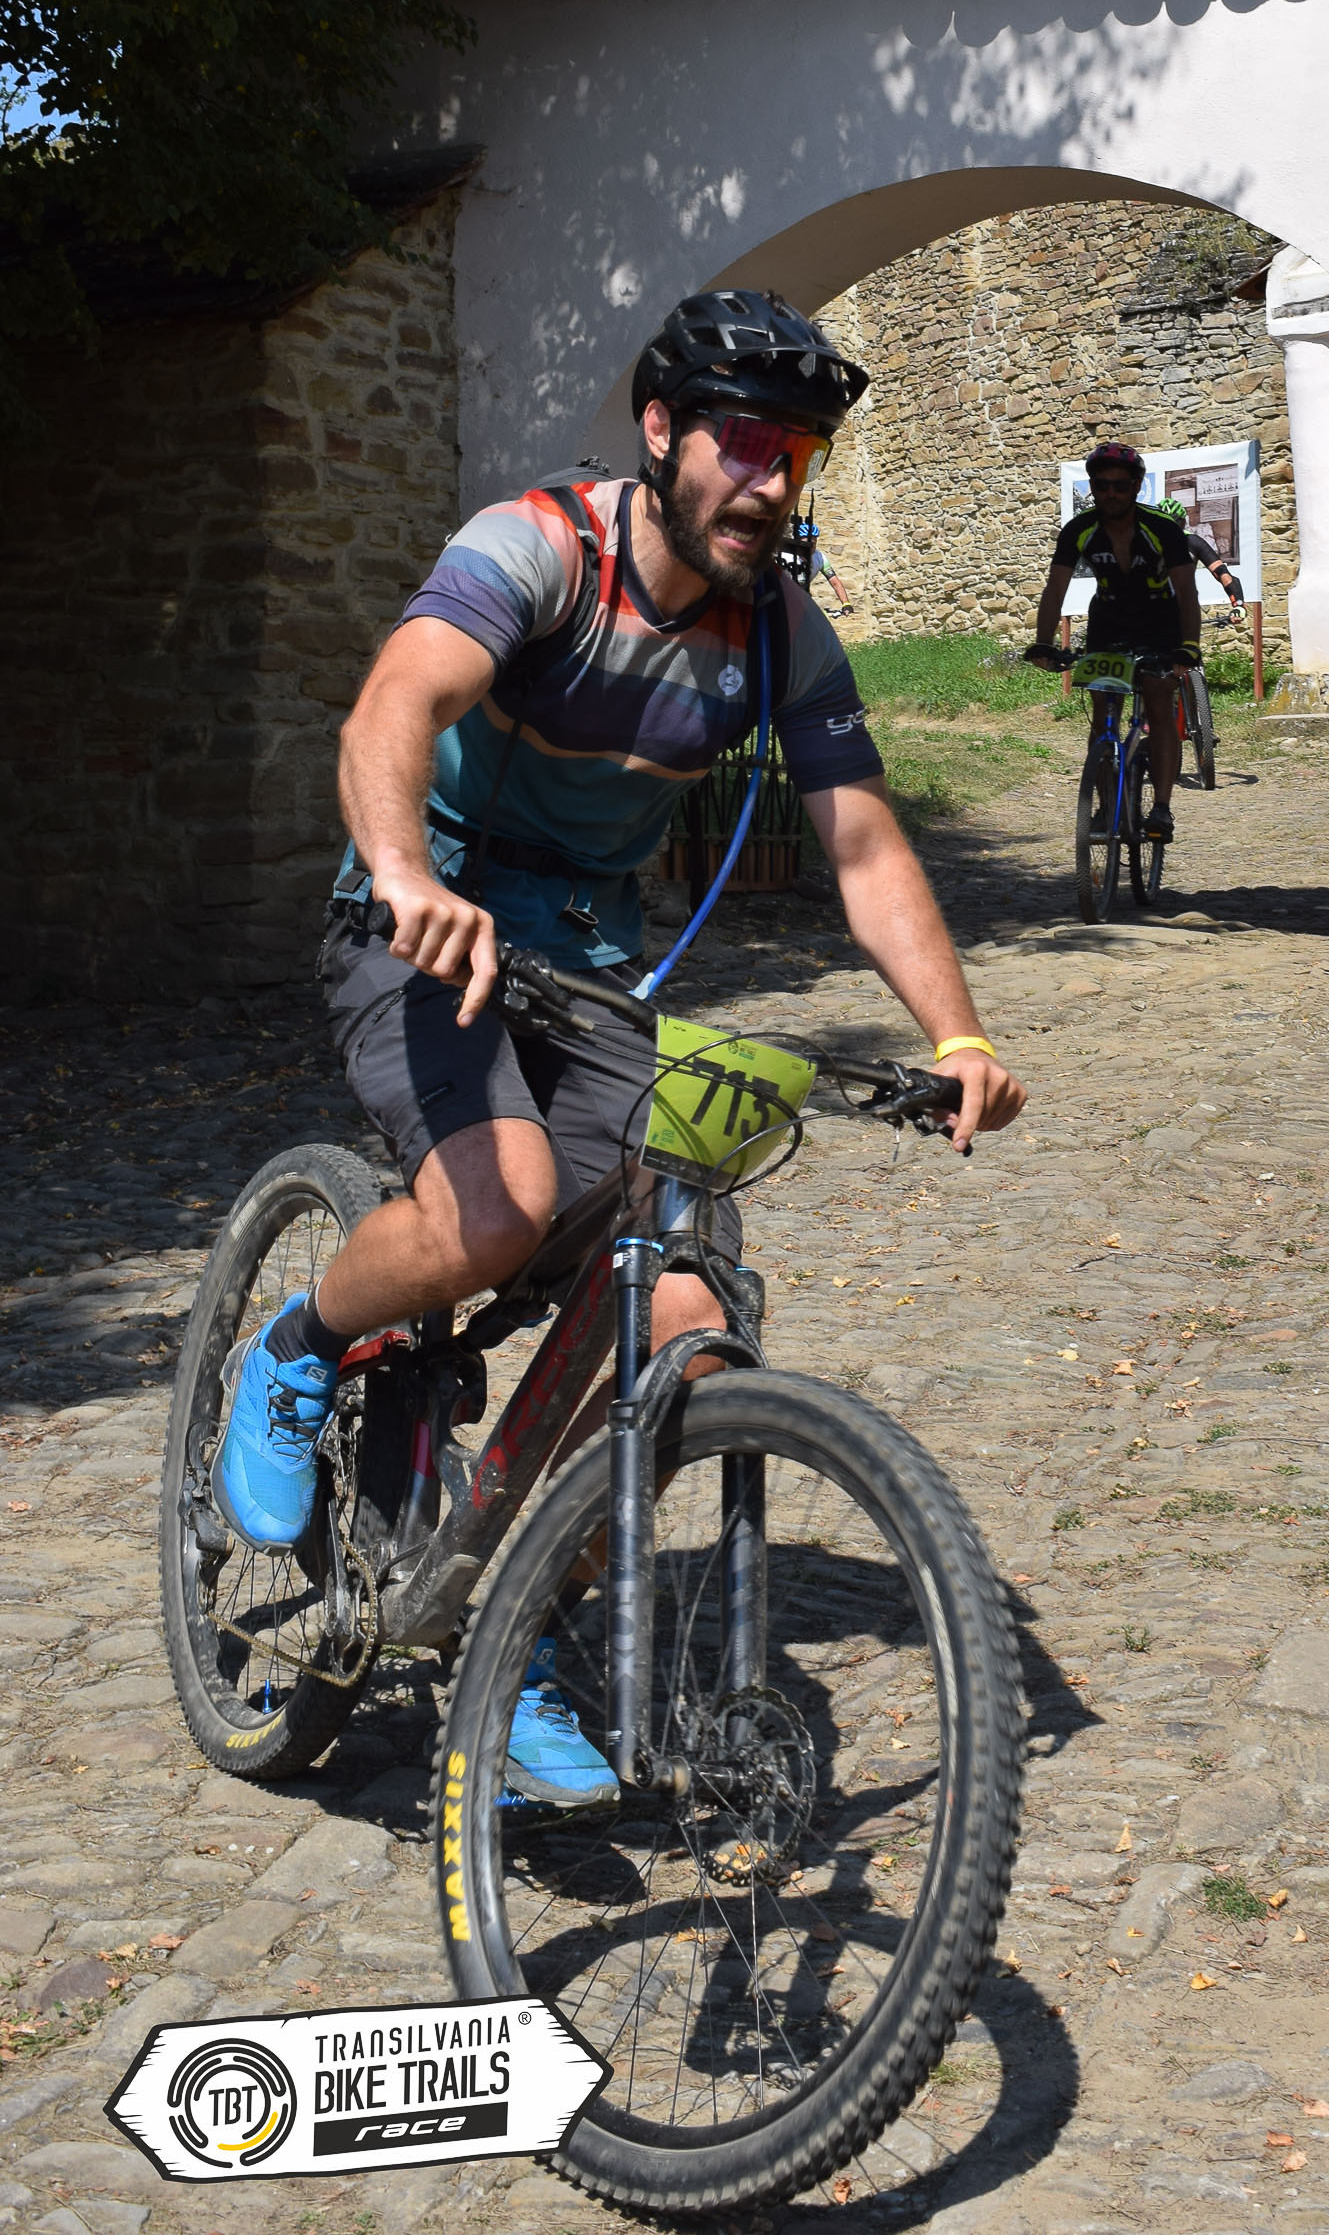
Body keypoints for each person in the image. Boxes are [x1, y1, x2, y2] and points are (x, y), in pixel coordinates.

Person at [213, 287, 1025, 1802]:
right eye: (743, 443)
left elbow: (860, 843)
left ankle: (515, 1620)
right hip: (423, 924)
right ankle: (297, 1350)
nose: (769, 480)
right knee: (499, 1207)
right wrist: (404, 874)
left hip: (585, 966)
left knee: (683, 1316)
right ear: (662, 431)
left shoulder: (779, 633)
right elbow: (392, 708)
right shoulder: (538, 550)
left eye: (796, 454)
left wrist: (958, 1030)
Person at [1032, 441, 1201, 840]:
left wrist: (1189, 646)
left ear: (1136, 486)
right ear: (1092, 487)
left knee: (1158, 698)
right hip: (1109, 621)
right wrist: (1043, 642)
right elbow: (1055, 589)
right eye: (1101, 485)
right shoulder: (1079, 530)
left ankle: (1161, 809)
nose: (1110, 493)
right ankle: (1107, 804)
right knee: (1103, 711)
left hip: (1160, 620)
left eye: (1120, 486)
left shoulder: (1161, 528)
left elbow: (1186, 591)